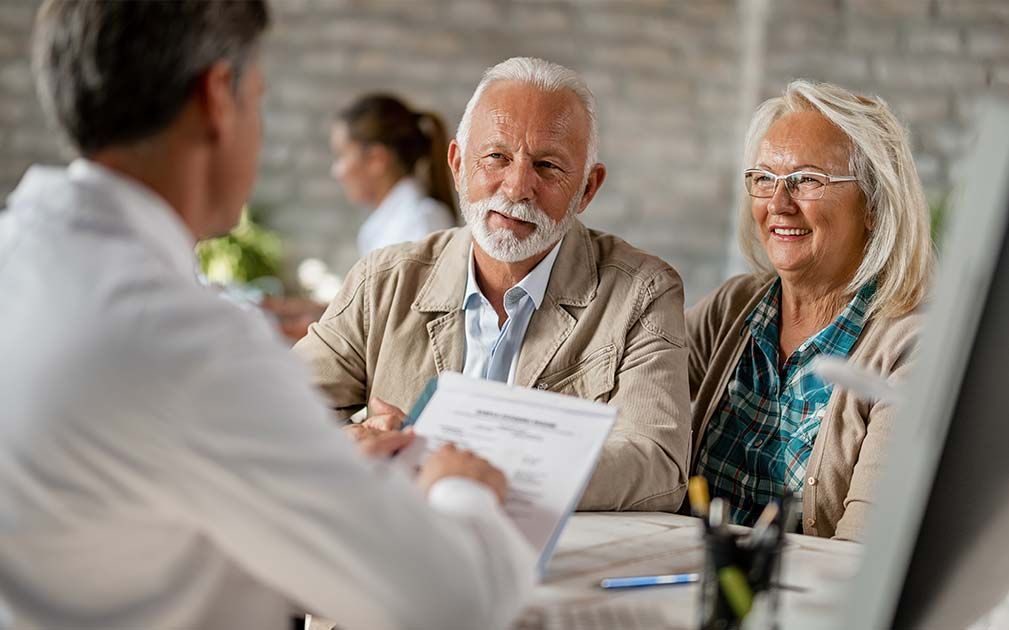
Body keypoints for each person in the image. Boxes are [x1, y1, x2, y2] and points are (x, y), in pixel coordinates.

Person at [0, 2, 535, 629]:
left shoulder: (20, 255)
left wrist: (318, 470)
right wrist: (460, 485)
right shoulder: (189, 344)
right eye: (259, 97)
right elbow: (454, 600)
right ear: (218, 96)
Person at [293, 57, 692, 512]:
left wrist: (481, 472)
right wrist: (349, 442)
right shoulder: (382, 280)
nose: (518, 186)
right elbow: (277, 410)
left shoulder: (643, 293)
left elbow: (657, 464)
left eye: (547, 166)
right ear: (458, 164)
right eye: (497, 157)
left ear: (587, 189)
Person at [687, 80, 933, 540]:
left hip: (809, 604)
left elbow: (861, 554)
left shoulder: (912, 348)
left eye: (807, 180)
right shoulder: (731, 308)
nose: (779, 204)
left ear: (874, 205)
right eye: (765, 179)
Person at [331, 94, 459, 256]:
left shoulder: (421, 221)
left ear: (376, 159)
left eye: (341, 156)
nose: (336, 172)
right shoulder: (389, 223)